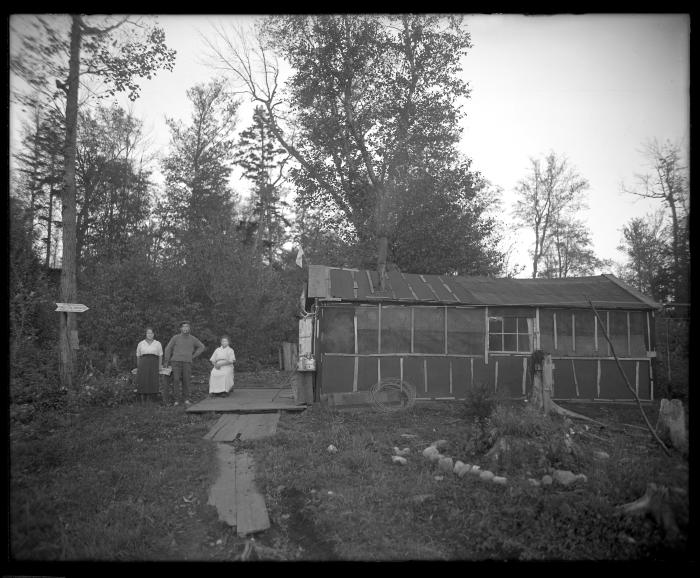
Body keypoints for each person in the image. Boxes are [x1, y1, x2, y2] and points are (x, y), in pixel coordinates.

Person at [163, 322, 205, 406]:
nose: (185, 328)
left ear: (189, 329)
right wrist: (166, 361)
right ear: (180, 329)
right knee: (176, 380)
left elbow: (202, 347)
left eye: (187, 327)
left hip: (187, 362)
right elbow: (168, 348)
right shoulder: (175, 337)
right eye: (183, 327)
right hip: (175, 362)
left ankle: (186, 399)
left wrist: (193, 356)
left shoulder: (193, 339)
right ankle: (176, 400)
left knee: (186, 380)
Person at [135, 327, 163, 403]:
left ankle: (153, 398)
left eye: (151, 333)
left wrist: (159, 365)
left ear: (153, 334)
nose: (150, 335)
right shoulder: (141, 343)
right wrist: (138, 366)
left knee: (153, 379)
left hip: (154, 362)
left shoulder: (157, 343)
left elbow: (160, 355)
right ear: (146, 334)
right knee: (143, 380)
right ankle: (143, 398)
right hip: (143, 363)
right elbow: (138, 355)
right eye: (148, 333)